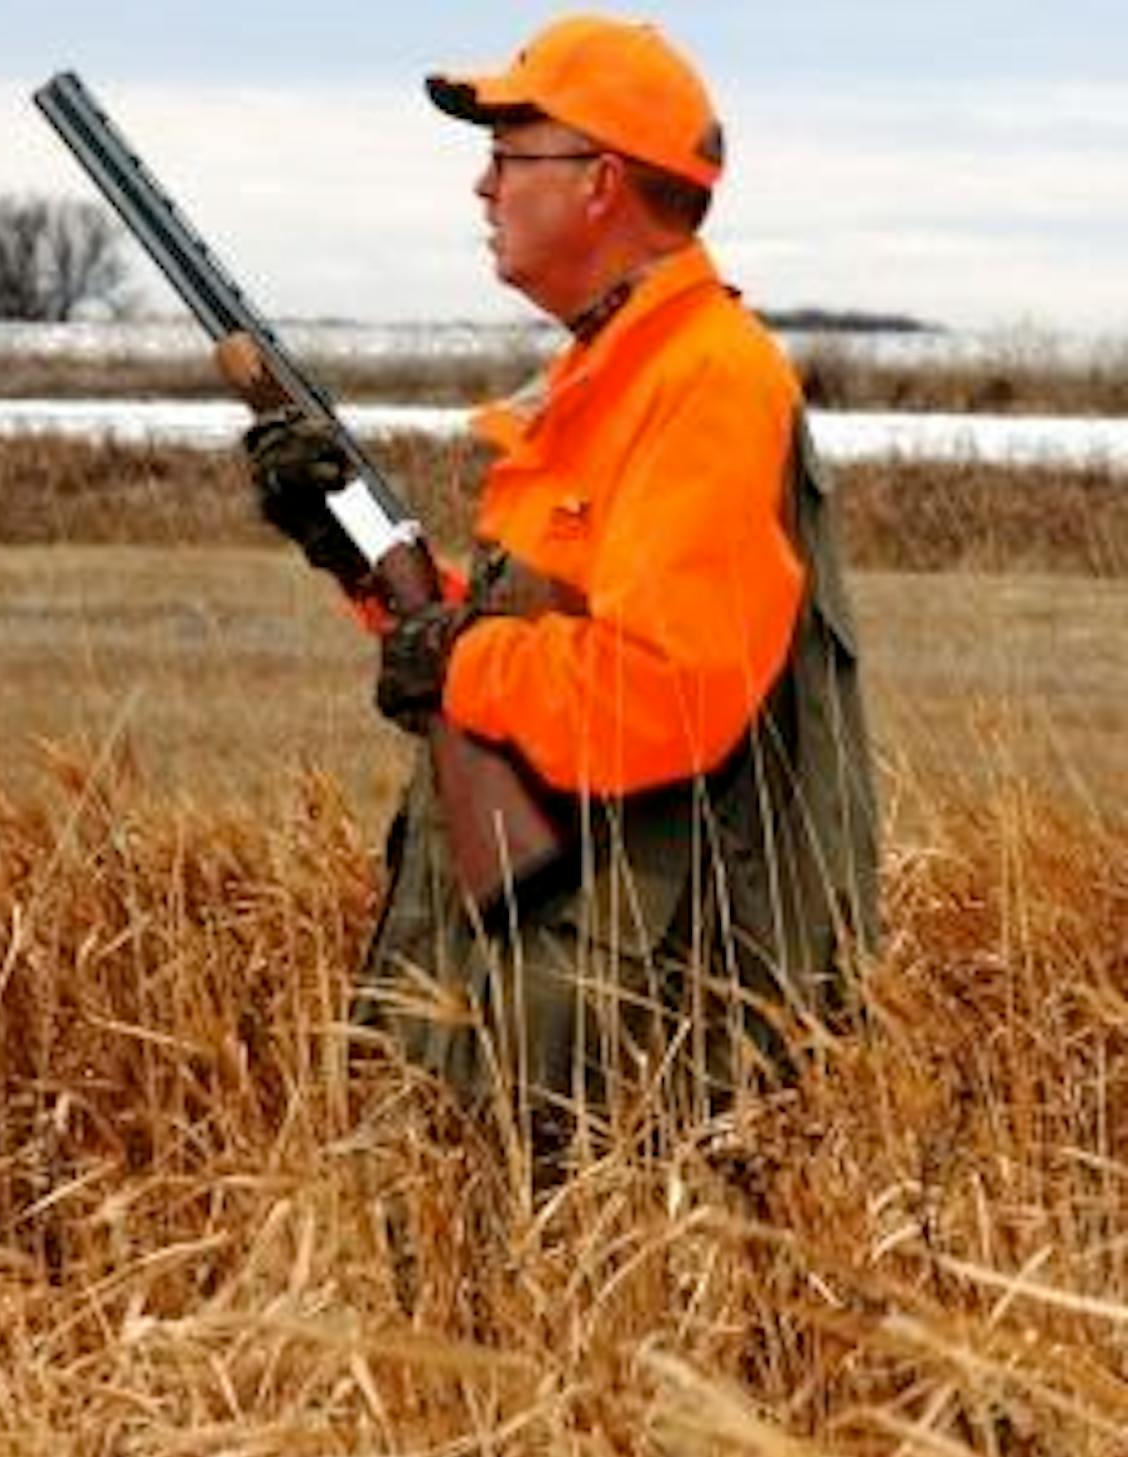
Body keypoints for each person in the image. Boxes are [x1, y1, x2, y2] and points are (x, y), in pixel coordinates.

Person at [244, 14, 880, 1193]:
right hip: (553, 986)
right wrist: (345, 547)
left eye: (511, 153)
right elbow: (519, 650)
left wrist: (459, 659)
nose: (482, 185)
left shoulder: (707, 387)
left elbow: (663, 698)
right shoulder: (608, 377)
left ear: (598, 182)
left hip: (643, 1027)